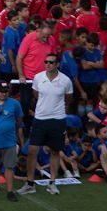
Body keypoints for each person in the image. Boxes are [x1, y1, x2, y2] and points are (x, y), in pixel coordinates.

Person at [19, 53, 73, 196]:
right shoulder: (38, 78)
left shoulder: (66, 80)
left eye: (51, 62)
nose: (47, 64)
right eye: (46, 61)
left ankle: (52, 183)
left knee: (55, 151)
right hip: (40, 119)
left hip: (57, 120)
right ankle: (30, 183)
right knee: (32, 150)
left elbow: (68, 99)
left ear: (57, 64)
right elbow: (36, 95)